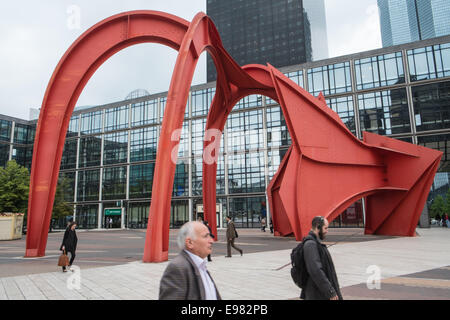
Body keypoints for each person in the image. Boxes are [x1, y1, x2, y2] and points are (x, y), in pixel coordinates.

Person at [159, 221, 221, 300]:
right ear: (190, 243)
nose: (211, 241)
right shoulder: (178, 268)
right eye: (206, 236)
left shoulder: (201, 265)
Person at [300, 216, 343, 300]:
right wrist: (330, 291)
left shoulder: (316, 243)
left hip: (320, 292)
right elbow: (316, 271)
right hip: (317, 294)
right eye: (325, 228)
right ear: (318, 227)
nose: (327, 231)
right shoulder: (311, 244)